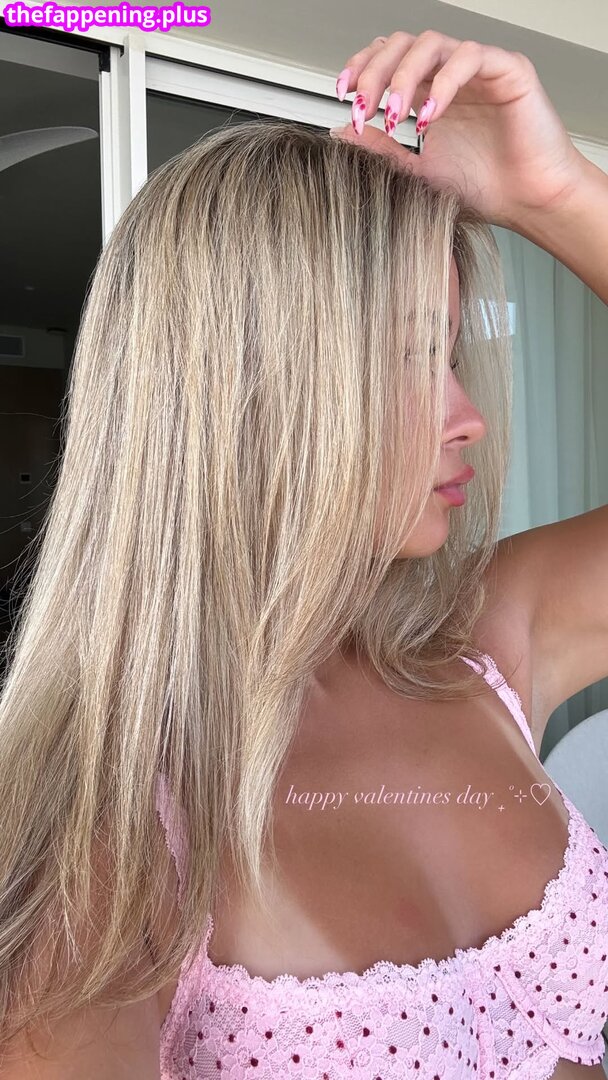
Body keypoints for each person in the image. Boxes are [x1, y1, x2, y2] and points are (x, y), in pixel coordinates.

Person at [1, 26, 608, 1080]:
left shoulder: (480, 645)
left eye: (449, 353)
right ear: (252, 396)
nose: (466, 416)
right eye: (408, 359)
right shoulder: (106, 825)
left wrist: (556, 197)